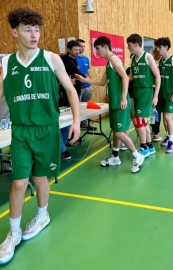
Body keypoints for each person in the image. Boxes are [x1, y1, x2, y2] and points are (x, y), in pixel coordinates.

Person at [0, 8, 80, 265]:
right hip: (21, 130)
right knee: (19, 183)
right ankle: (13, 233)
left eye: (37, 29)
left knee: (39, 176)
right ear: (15, 32)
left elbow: (70, 89)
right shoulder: (6, 63)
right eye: (27, 29)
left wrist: (76, 121)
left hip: (46, 129)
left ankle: (42, 215)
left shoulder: (51, 58)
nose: (34, 34)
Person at [75, 36, 144, 173]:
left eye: (98, 49)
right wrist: (84, 79)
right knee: (116, 132)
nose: (97, 52)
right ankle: (115, 156)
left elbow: (125, 77)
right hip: (114, 103)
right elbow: (102, 82)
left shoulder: (114, 59)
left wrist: (124, 97)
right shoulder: (109, 63)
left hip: (120, 103)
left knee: (119, 132)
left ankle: (137, 155)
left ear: (105, 47)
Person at [126, 34, 161, 157]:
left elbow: (157, 76)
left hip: (146, 91)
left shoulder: (148, 57)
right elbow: (130, 78)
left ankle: (143, 147)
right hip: (136, 90)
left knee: (138, 119)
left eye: (129, 45)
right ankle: (150, 146)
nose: (128, 48)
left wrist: (155, 95)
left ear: (136, 44)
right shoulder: (133, 59)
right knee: (142, 121)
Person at [155, 37, 173, 153]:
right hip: (161, 94)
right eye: (157, 47)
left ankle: (171, 142)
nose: (157, 49)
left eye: (159, 47)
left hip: (170, 94)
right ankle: (167, 136)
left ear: (166, 47)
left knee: (167, 117)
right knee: (163, 118)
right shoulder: (160, 61)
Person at [76, 38, 96, 131]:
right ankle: (76, 126)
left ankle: (85, 124)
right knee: (77, 107)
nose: (82, 48)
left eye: (84, 46)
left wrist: (90, 82)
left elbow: (88, 71)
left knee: (87, 106)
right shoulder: (73, 59)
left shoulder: (86, 59)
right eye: (80, 46)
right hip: (78, 87)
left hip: (87, 87)